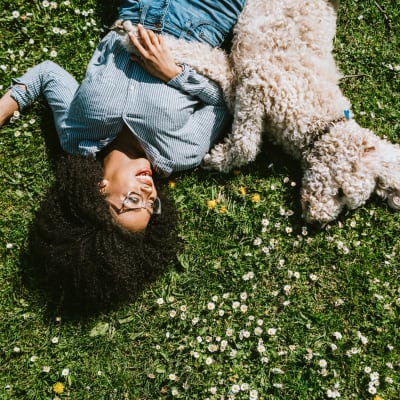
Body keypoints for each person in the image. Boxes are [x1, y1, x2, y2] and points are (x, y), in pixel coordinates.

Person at [1, 0, 245, 312]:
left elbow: (47, 76)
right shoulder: (180, 154)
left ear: (98, 192)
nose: (148, 192)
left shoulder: (76, 137)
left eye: (132, 201)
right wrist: (174, 74)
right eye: (150, 204)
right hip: (204, 15)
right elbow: (221, 104)